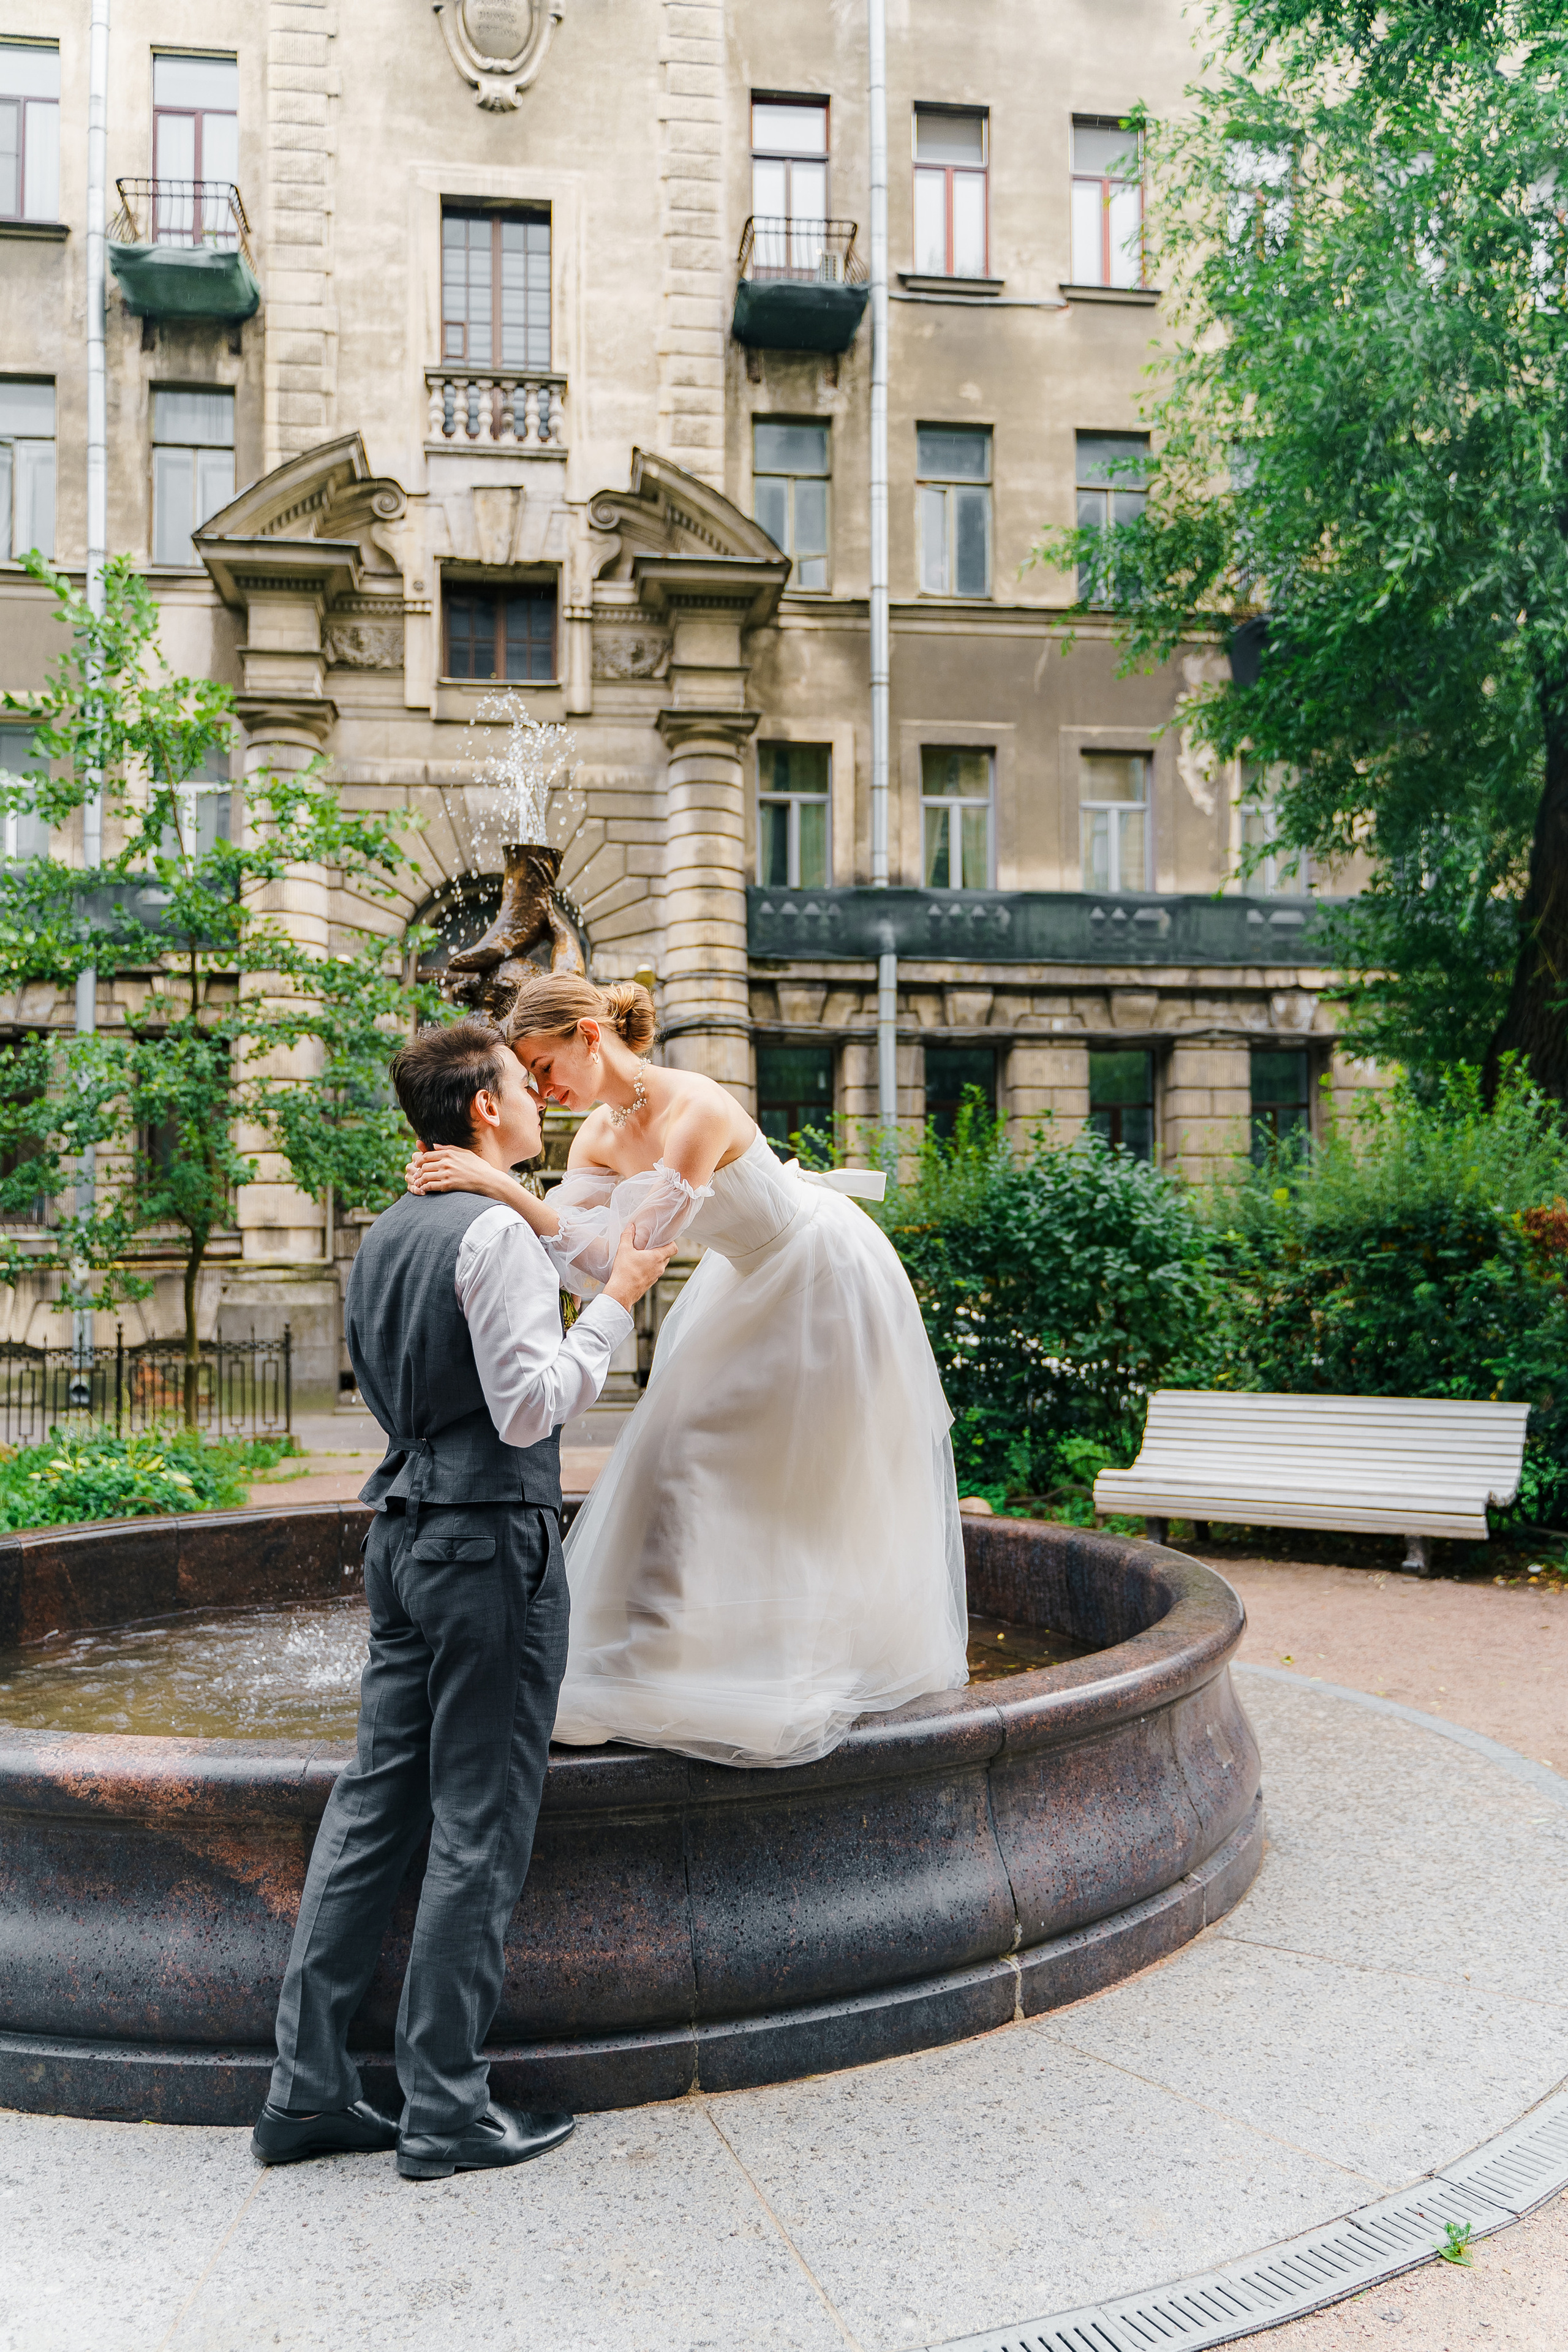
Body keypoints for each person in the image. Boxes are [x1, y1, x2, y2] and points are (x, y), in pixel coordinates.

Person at [251, 1019, 674, 2179]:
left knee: (375, 1805)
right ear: (485, 1108)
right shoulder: (491, 1231)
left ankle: (304, 2091)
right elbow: (533, 1406)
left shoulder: (387, 1232)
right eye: (521, 1090)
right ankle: (445, 2109)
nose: (541, 1104)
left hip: (402, 1536)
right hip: (491, 1546)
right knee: (479, 1825)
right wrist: (622, 1297)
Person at [407, 974, 968, 1770]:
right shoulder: (598, 1137)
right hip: (744, 1281)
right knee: (673, 1452)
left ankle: (775, 1656)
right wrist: (492, 1201)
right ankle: (667, 1656)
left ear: (589, 1036)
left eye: (543, 1065)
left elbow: (628, 1254)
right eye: (528, 1077)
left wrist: (499, 1183)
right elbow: (577, 1263)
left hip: (819, 1275)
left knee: (777, 1469)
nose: (540, 1088)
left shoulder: (696, 1107)